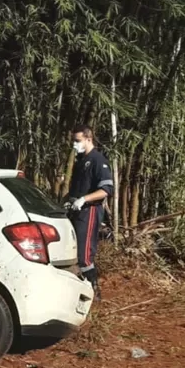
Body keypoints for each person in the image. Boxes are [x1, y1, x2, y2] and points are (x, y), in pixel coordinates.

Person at [65, 124, 113, 298]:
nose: (74, 145)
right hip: (76, 211)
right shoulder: (80, 161)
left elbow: (106, 189)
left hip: (90, 211)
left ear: (88, 139)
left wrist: (84, 199)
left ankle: (94, 290)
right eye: (73, 141)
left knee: (84, 254)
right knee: (73, 250)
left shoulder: (98, 160)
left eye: (77, 141)